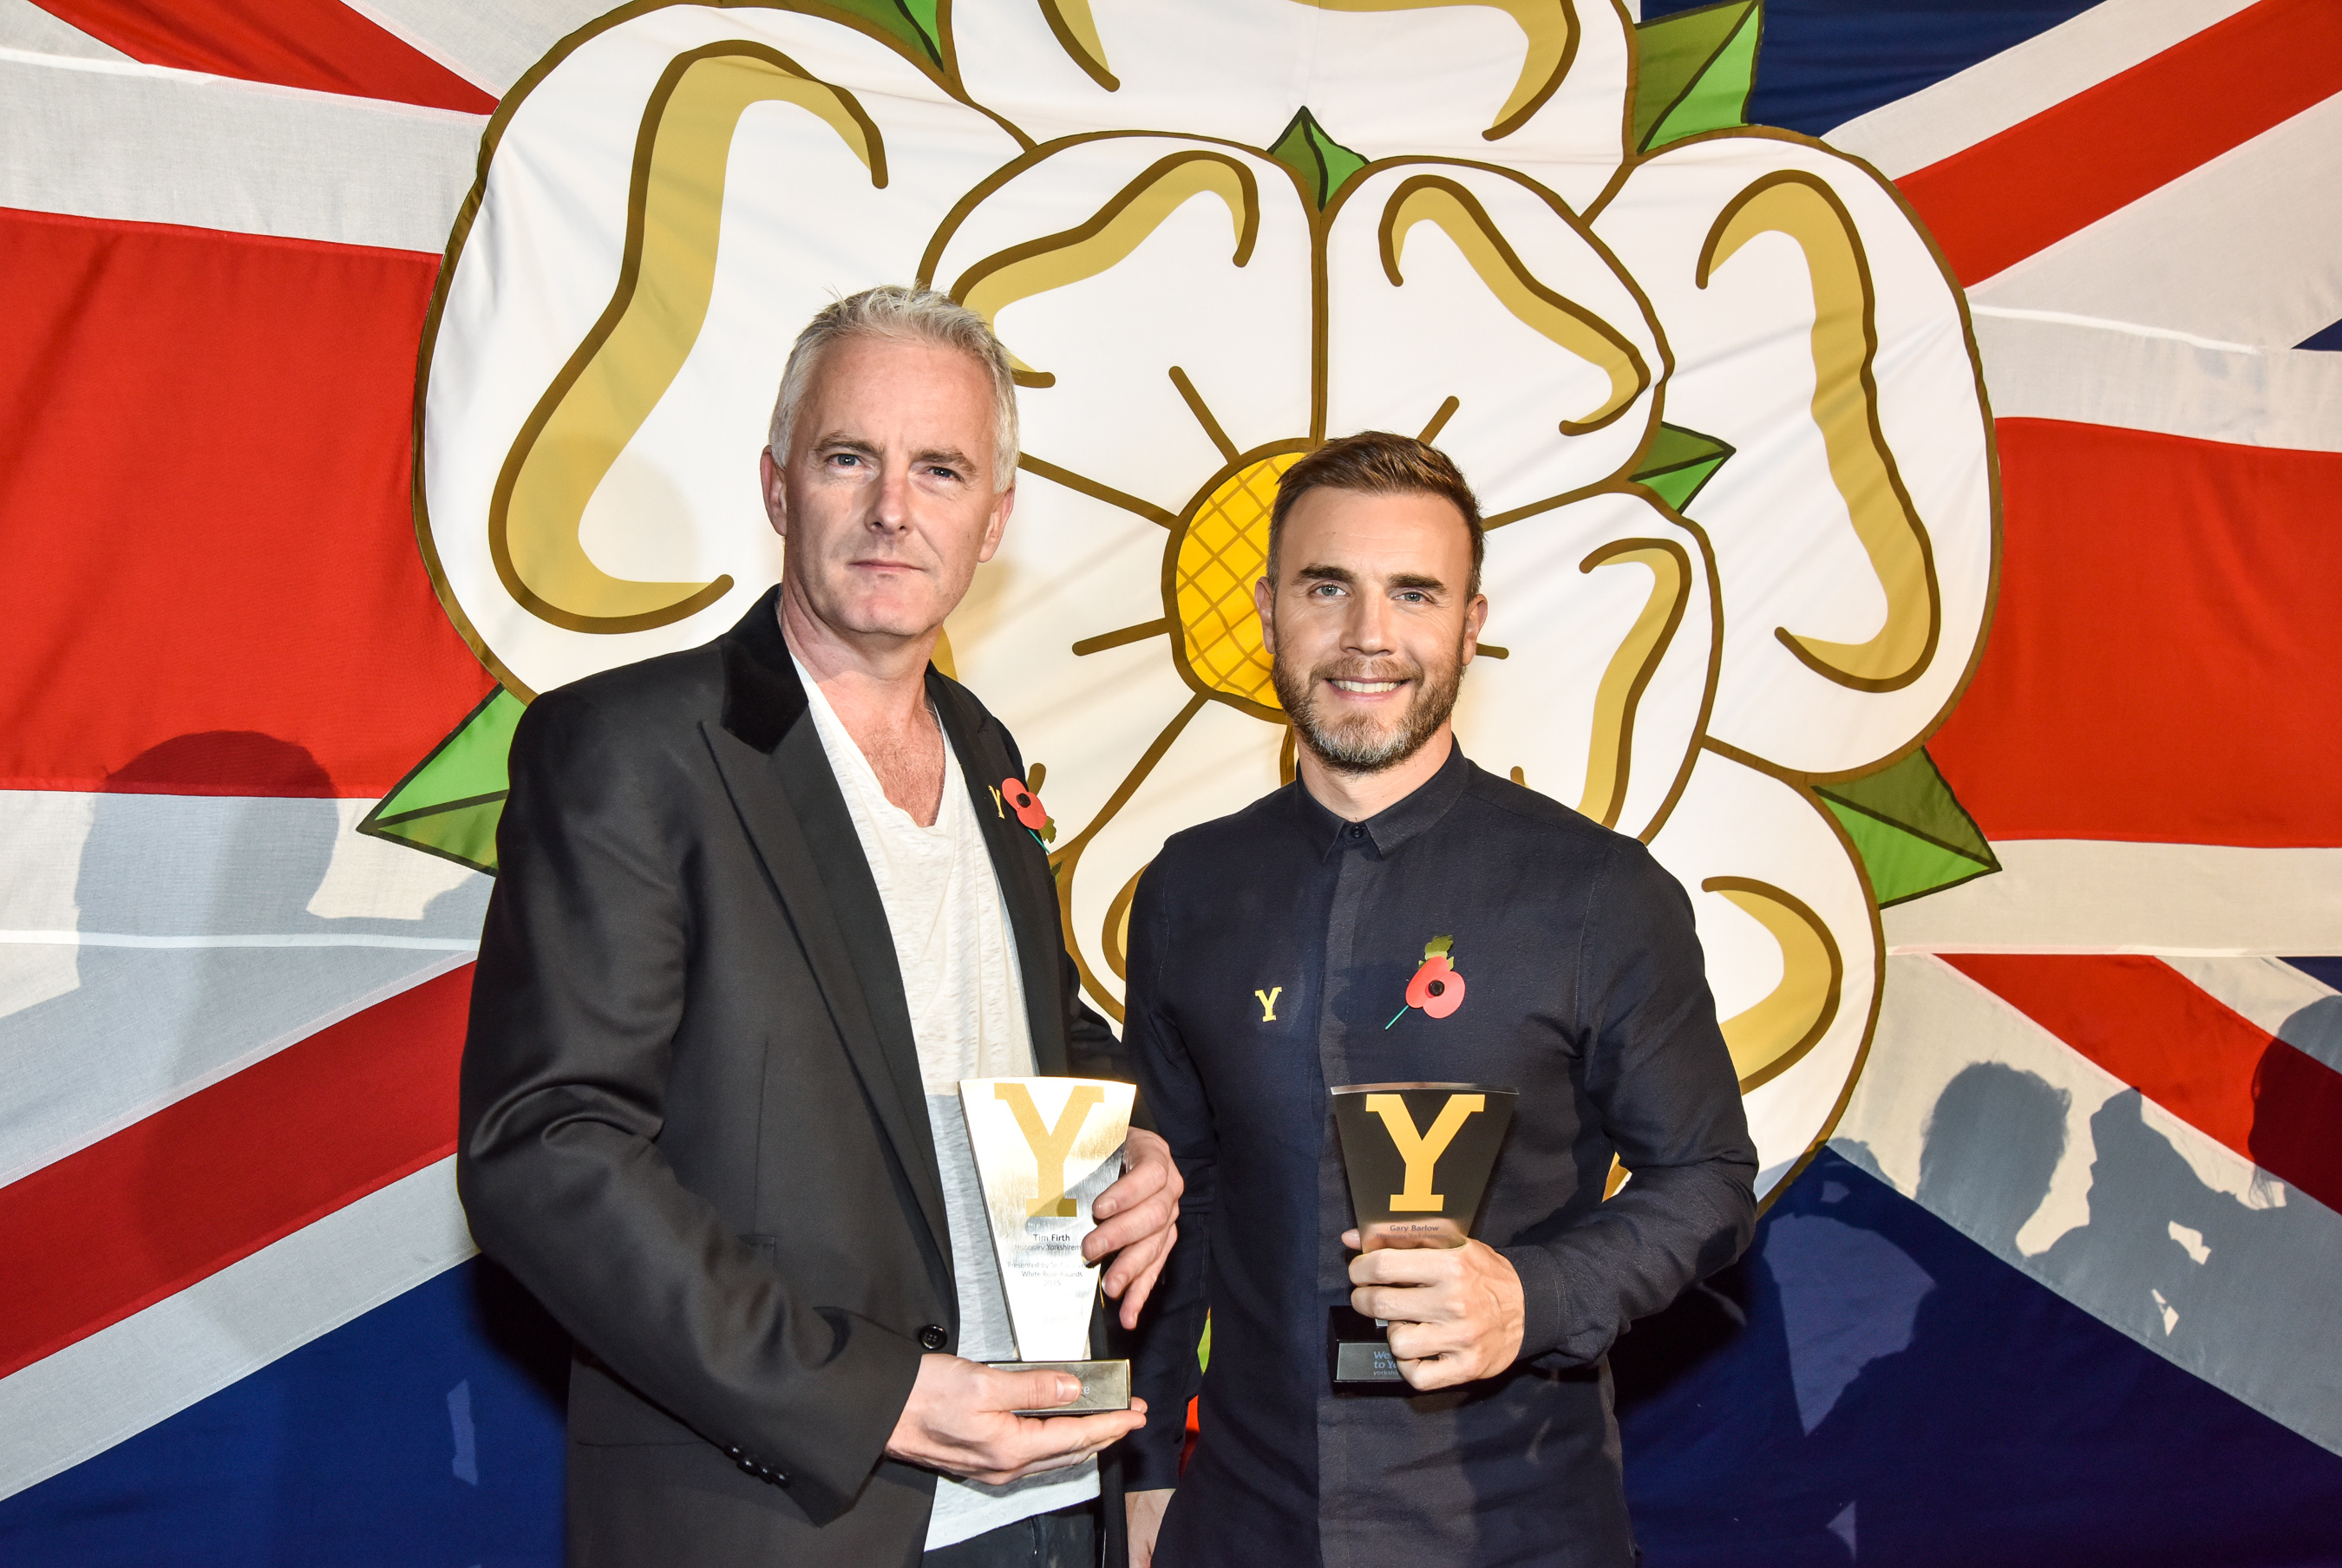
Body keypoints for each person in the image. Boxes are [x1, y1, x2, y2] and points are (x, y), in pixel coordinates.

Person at [459, 285, 1181, 1568]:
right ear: (778, 486)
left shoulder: (985, 746)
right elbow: (549, 1151)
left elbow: (1020, 1022)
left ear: (994, 518)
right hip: (786, 1516)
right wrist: (875, 1396)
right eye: (851, 458)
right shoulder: (630, 747)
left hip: (1044, 1500)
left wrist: (1129, 1139)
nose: (895, 508)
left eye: (941, 469)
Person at [1119, 433, 1757, 1566]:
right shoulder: (1187, 891)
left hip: (1516, 1530)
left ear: (1470, 625)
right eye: (1328, 588)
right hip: (1241, 1527)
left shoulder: (1600, 895)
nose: (1369, 634)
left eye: (1414, 593)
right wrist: (1147, 1468)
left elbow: (1706, 1181)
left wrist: (1531, 1297)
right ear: (1266, 611)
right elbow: (1172, 1201)